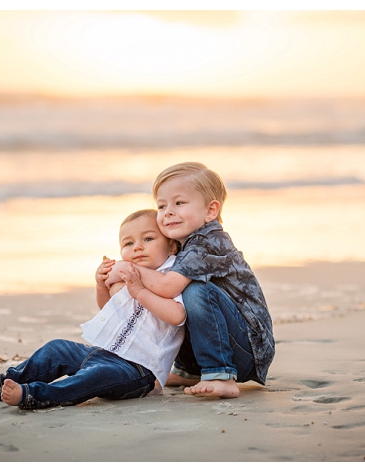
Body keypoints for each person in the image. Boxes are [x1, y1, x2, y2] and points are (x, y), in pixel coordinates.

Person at [0, 209, 185, 409]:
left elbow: (177, 316)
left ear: (172, 246)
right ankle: (7, 381)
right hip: (103, 353)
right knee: (56, 348)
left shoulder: (172, 278)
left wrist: (140, 292)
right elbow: (108, 308)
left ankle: (35, 395)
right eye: (128, 243)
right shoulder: (127, 276)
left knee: (95, 376)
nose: (137, 247)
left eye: (148, 239)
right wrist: (101, 285)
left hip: (138, 371)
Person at [109, 162, 274, 399]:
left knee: (196, 291)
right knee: (175, 303)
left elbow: (167, 287)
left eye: (179, 203)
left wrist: (128, 268)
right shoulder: (182, 246)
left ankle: (221, 375)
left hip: (248, 348)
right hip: (228, 341)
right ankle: (189, 370)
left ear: (210, 211)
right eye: (162, 205)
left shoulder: (207, 243)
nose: (168, 212)